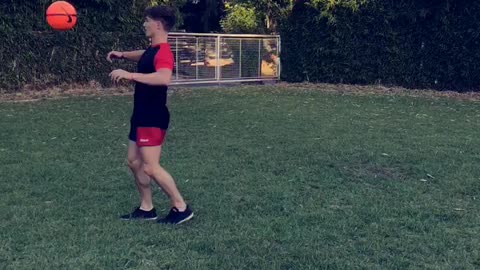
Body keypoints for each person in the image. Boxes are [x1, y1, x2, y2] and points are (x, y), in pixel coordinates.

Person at [106, 5, 193, 225]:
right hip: (140, 114)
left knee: (150, 166)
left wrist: (130, 75)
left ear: (158, 24)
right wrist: (122, 55)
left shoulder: (163, 52)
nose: (144, 24)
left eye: (147, 20)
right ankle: (147, 208)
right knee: (134, 161)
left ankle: (181, 207)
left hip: (152, 116)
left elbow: (164, 78)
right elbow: (144, 56)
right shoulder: (152, 49)